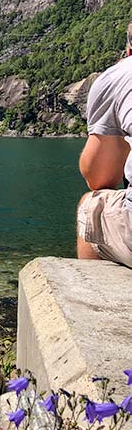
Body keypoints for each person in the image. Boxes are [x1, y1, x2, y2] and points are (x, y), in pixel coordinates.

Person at [77, 21, 132, 266]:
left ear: (129, 50)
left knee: (91, 206)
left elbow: (100, 178)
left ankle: (96, 298)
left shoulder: (118, 76)